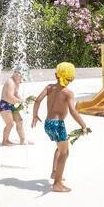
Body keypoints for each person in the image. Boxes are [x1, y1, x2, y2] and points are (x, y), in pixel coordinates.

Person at [31, 62, 88, 193]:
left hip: (48, 124)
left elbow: (37, 100)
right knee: (65, 152)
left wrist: (35, 115)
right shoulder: (68, 93)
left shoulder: (49, 87)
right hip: (58, 125)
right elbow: (73, 111)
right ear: (71, 78)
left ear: (56, 75)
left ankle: (54, 172)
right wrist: (83, 125)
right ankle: (57, 184)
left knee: (60, 147)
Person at [0, 67, 28, 146]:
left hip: (12, 105)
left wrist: (22, 100)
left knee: (19, 121)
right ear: (16, 74)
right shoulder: (10, 82)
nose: (22, 79)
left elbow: (16, 94)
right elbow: (9, 97)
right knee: (10, 124)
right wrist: (20, 101)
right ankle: (5, 141)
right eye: (21, 76)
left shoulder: (16, 82)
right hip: (4, 105)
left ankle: (22, 140)